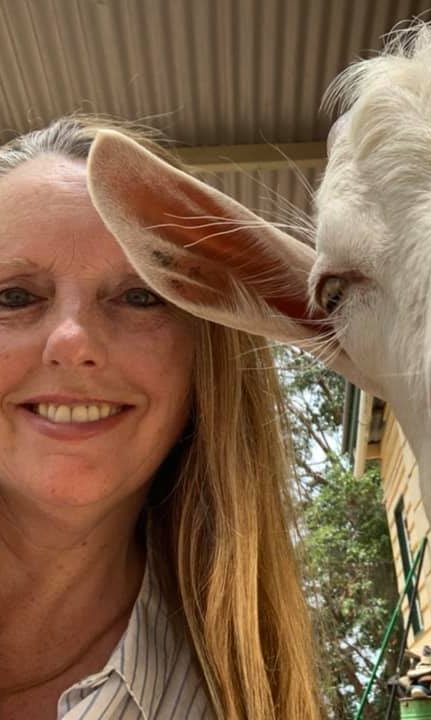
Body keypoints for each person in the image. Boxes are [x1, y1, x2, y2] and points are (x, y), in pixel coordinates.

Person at [0, 116, 322, 720]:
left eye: (141, 295)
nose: (73, 340)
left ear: (206, 360)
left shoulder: (238, 698)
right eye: (14, 296)